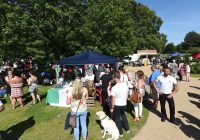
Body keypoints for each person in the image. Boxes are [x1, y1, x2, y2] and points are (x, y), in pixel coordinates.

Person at [110, 71, 130, 137]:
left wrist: (112, 108)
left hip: (117, 105)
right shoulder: (125, 84)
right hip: (124, 104)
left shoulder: (114, 88)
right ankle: (127, 129)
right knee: (123, 115)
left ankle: (120, 133)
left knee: (118, 118)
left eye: (113, 78)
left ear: (115, 78)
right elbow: (127, 95)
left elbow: (113, 99)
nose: (112, 79)